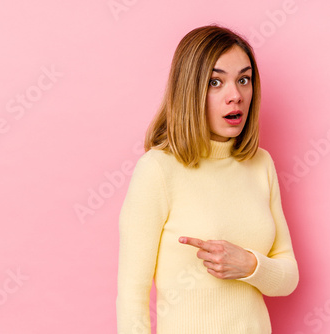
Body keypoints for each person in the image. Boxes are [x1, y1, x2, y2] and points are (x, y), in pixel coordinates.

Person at [116, 24, 299, 334]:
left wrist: (250, 265)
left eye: (244, 80)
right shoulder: (158, 170)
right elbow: (132, 296)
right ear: (190, 89)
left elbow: (288, 277)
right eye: (216, 82)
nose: (236, 96)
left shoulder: (261, 164)